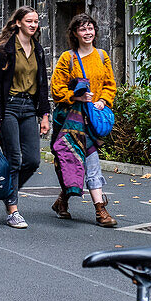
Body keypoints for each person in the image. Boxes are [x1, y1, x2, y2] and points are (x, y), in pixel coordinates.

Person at [0, 6, 51, 229]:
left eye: (36, 21)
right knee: (14, 158)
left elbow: (42, 85)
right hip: (9, 108)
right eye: (29, 21)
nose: (33, 25)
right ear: (18, 23)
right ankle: (13, 210)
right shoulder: (4, 50)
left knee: (32, 160)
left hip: (29, 108)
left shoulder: (38, 50)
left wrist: (44, 114)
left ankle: (6, 190)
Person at [49, 13, 118, 228]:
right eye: (83, 29)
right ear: (75, 33)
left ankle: (71, 202)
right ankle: (97, 208)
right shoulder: (67, 58)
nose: (88, 33)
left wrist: (104, 100)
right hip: (70, 120)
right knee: (73, 162)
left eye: (90, 28)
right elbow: (56, 88)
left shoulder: (102, 56)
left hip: (91, 119)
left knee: (88, 160)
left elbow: (110, 84)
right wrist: (75, 97)